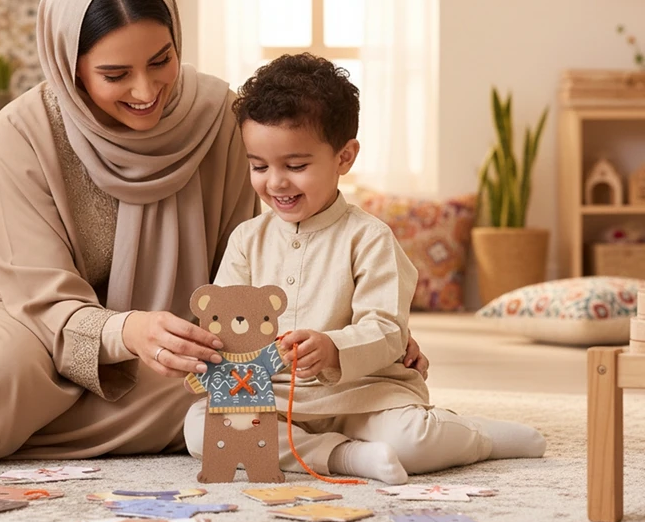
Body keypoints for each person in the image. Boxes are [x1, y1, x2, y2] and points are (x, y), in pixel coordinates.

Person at [0, 0, 428, 468]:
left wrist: (361, 336)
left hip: (175, 336)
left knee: (221, 388)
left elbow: (268, 255)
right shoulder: (23, 131)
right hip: (29, 318)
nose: (147, 91)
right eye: (115, 74)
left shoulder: (219, 116)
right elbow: (37, 291)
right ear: (70, 66)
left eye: (161, 60)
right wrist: (124, 330)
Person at [184, 54, 546, 484]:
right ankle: (344, 457)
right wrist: (213, 355)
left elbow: (387, 328)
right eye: (259, 166)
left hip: (363, 394)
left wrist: (333, 347)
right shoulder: (247, 239)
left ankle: (479, 437)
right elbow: (226, 325)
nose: (275, 182)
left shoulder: (370, 238)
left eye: (295, 166)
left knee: (413, 441)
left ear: (344, 157)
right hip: (273, 396)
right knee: (200, 427)